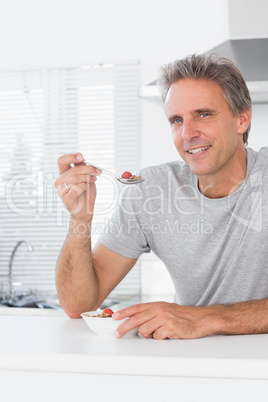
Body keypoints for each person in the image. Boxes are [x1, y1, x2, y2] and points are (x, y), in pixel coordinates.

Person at [55, 54, 268, 339]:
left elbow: (197, 320)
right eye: (176, 120)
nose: (187, 133)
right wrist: (79, 219)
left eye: (204, 114)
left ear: (241, 119)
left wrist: (203, 319)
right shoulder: (151, 191)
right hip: (187, 364)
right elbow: (78, 305)